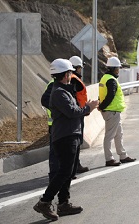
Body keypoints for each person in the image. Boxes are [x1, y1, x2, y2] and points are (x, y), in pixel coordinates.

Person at [34, 59, 98, 221]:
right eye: (70, 73)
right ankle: (45, 201)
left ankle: (63, 204)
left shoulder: (64, 90)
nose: (72, 75)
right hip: (65, 136)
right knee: (64, 171)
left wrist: (84, 109)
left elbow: (74, 110)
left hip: (70, 134)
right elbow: (71, 111)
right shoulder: (59, 93)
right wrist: (88, 108)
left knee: (68, 171)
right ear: (65, 74)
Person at [98, 56, 136, 166]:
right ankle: (109, 159)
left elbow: (102, 94)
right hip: (111, 111)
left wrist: (101, 106)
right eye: (118, 68)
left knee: (119, 134)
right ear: (114, 68)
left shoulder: (104, 78)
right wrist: (102, 106)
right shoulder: (111, 80)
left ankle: (123, 155)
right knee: (110, 135)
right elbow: (110, 96)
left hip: (112, 111)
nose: (118, 70)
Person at [69, 56, 89, 174]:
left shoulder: (73, 79)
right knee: (76, 141)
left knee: (76, 141)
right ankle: (74, 167)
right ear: (76, 68)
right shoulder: (74, 80)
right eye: (80, 68)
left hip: (78, 113)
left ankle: (75, 165)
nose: (81, 70)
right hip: (77, 114)